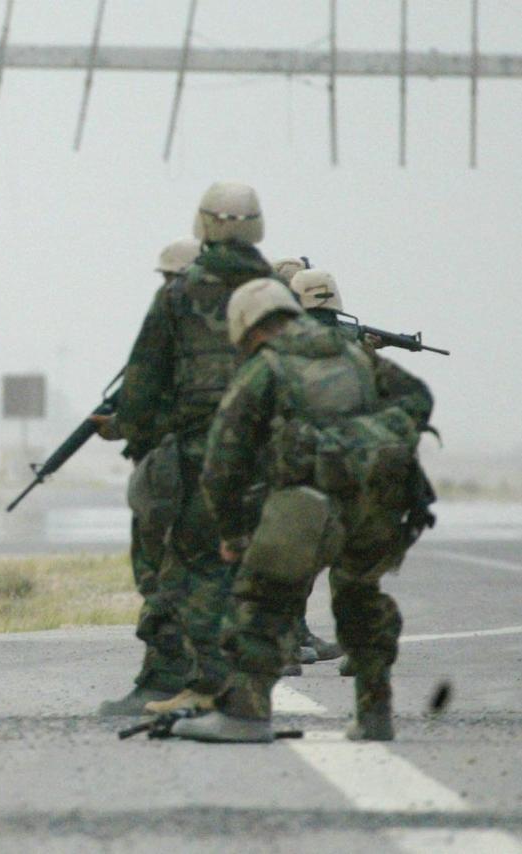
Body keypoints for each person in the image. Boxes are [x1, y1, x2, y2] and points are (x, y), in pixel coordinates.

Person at [172, 279, 434, 742]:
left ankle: (246, 716)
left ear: (247, 324)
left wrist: (232, 534)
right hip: (376, 502)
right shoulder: (356, 357)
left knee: (262, 602)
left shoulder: (266, 369)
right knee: (362, 601)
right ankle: (375, 715)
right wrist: (372, 440)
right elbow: (417, 398)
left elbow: (222, 462)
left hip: (306, 506)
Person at [114, 182, 276, 714]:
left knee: (182, 570)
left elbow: (140, 386)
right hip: (273, 457)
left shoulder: (180, 295)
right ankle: (249, 687)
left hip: (197, 459)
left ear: (202, 225)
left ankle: (175, 678)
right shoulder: (278, 294)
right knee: (262, 575)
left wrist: (145, 443)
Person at [95, 237, 201, 715]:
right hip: (231, 461)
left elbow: (141, 393)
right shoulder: (247, 305)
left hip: (175, 463)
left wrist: (124, 430)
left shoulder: (174, 309)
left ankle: (162, 678)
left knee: (161, 571)